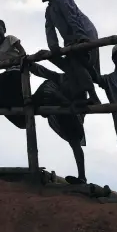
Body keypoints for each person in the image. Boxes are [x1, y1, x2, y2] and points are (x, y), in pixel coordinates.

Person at [38, 0, 101, 105]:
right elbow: (49, 30)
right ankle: (80, 94)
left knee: (76, 61)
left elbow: (73, 18)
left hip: (85, 34)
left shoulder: (61, 0)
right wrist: (53, 46)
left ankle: (93, 96)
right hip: (73, 40)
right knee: (72, 64)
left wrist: (81, 37)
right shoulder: (49, 10)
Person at [28, 51, 88, 184]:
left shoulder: (82, 80)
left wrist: (72, 104)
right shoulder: (61, 77)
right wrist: (30, 64)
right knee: (48, 85)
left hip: (72, 117)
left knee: (75, 144)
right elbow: (42, 71)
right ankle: (34, 103)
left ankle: (82, 176)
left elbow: (85, 102)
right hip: (59, 112)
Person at [0, 19, 27, 129]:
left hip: (19, 70)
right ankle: (2, 104)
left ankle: (18, 104)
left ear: (4, 30)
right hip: (8, 71)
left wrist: (18, 59)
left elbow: (22, 51)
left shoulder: (10, 39)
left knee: (12, 80)